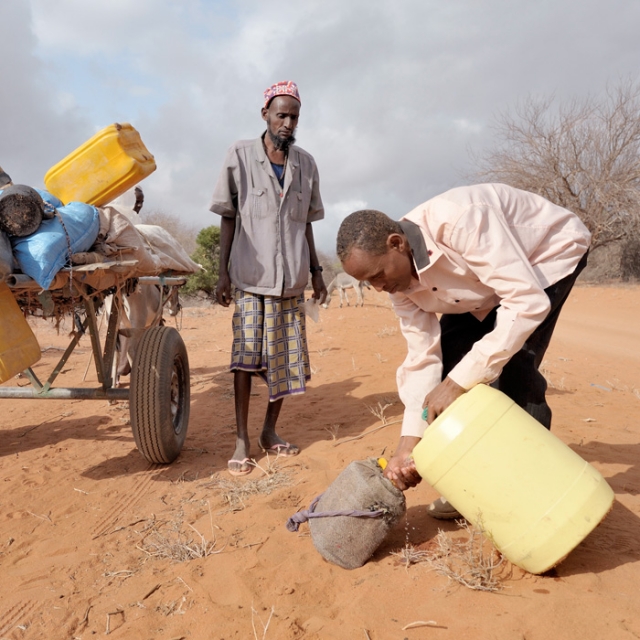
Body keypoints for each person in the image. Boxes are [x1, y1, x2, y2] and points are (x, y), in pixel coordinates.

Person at [337, 183, 590, 518]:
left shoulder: (461, 221)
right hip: (487, 285)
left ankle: (529, 496)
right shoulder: (397, 286)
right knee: (451, 365)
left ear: (396, 244)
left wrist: (458, 384)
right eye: (369, 283)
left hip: (546, 255)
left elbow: (525, 302)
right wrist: (407, 446)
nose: (379, 288)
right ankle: (477, 480)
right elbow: (422, 356)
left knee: (514, 368)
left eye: (379, 275)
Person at [211, 80, 327, 477]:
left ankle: (269, 431)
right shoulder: (240, 156)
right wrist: (222, 273)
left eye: (294, 116)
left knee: (285, 363)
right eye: (281, 115)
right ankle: (242, 439)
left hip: (291, 281)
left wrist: (317, 272)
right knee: (244, 361)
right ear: (265, 114)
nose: (288, 123)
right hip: (248, 277)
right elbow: (229, 216)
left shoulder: (306, 165)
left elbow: (306, 224)